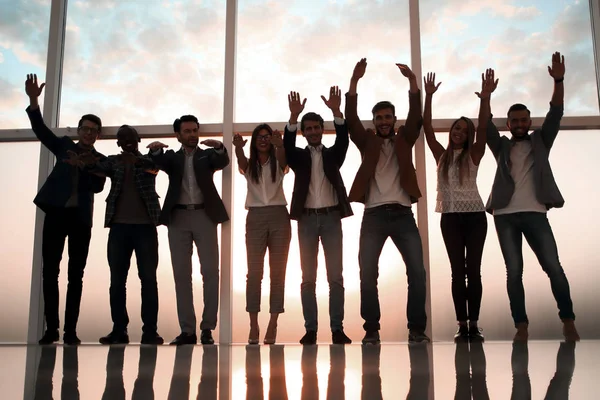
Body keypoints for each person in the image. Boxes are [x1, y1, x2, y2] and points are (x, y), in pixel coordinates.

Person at [486, 52, 579, 342]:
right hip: (505, 215)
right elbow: (484, 125)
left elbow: (556, 112)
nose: (518, 123)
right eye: (513, 120)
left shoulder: (541, 140)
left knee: (553, 266)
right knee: (514, 271)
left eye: (523, 119)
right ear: (508, 124)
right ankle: (521, 326)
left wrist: (559, 80)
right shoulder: (501, 146)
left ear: (528, 121)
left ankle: (567, 320)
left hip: (536, 213)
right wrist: (486, 97)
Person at [345, 59, 428, 344]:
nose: (383, 122)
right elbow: (351, 120)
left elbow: (417, 116)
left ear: (394, 120)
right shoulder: (367, 141)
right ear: (375, 122)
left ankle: (416, 329)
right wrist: (354, 82)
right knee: (367, 273)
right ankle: (371, 330)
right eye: (379, 118)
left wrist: (413, 84)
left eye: (387, 117)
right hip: (374, 216)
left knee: (417, 271)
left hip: (403, 214)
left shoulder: (405, 137)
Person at [25, 73, 106, 345]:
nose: (88, 133)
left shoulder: (100, 160)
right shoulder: (63, 146)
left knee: (76, 275)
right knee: (51, 271)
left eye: (93, 130)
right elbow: (41, 131)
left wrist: (89, 168)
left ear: (98, 135)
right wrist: (34, 100)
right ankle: (52, 329)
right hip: (57, 216)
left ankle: (70, 331)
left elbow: (98, 188)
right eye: (84, 128)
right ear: (79, 130)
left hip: (81, 221)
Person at [422, 69, 498, 342]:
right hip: (450, 219)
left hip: (475, 218)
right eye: (456, 128)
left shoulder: (474, 154)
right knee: (457, 272)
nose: (458, 132)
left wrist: (485, 98)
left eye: (464, 131)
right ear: (452, 131)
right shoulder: (441, 156)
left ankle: (474, 325)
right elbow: (427, 127)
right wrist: (429, 97)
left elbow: (484, 128)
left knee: (473, 270)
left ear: (468, 136)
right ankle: (462, 325)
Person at [147, 115, 229, 345]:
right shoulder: (172, 158)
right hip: (178, 218)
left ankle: (207, 329)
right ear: (178, 136)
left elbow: (222, 162)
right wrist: (154, 151)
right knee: (182, 276)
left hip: (205, 215)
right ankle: (187, 331)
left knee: (211, 273)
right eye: (188, 131)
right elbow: (158, 163)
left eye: (195, 130)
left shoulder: (207, 155)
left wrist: (220, 147)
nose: (193, 135)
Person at [283, 86, 353, 345]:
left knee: (335, 277)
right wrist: (292, 117)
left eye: (316, 127)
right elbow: (287, 146)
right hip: (307, 220)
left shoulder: (333, 155)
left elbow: (344, 140)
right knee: (307, 278)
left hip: (332, 218)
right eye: (308, 128)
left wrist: (337, 111)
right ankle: (310, 330)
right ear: (303, 132)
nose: (312, 132)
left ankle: (337, 329)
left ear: (322, 129)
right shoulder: (298, 157)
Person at [89, 125, 164, 345]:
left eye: (131, 137)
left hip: (145, 228)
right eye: (123, 138)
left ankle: (150, 331)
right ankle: (119, 330)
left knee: (149, 279)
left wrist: (139, 161)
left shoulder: (148, 160)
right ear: (118, 143)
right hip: (119, 228)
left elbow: (154, 167)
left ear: (139, 139)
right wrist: (85, 163)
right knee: (117, 281)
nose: (128, 141)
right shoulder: (114, 161)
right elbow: (96, 167)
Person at [233, 124, 291, 345]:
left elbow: (285, 162)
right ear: (255, 141)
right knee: (254, 272)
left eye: (267, 137)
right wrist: (238, 147)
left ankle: (273, 322)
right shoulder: (249, 166)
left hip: (279, 216)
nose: (264, 140)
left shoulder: (279, 163)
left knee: (278, 272)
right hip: (255, 218)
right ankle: (253, 324)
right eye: (260, 137)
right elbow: (240, 161)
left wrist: (280, 145)